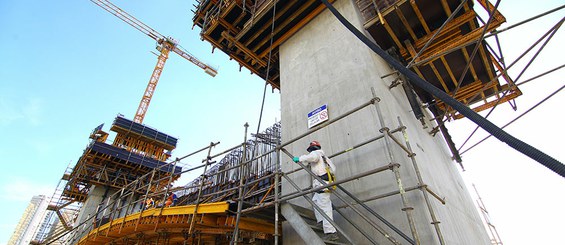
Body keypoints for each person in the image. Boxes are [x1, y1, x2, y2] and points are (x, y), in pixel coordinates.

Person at [293, 140, 339, 241]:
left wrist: (299, 158)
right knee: (316, 201)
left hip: (322, 182)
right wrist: (303, 161)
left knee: (325, 207)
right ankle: (321, 222)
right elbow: (332, 169)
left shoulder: (316, 154)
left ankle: (331, 232)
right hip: (323, 182)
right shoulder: (324, 158)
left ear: (312, 149)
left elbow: (312, 157)